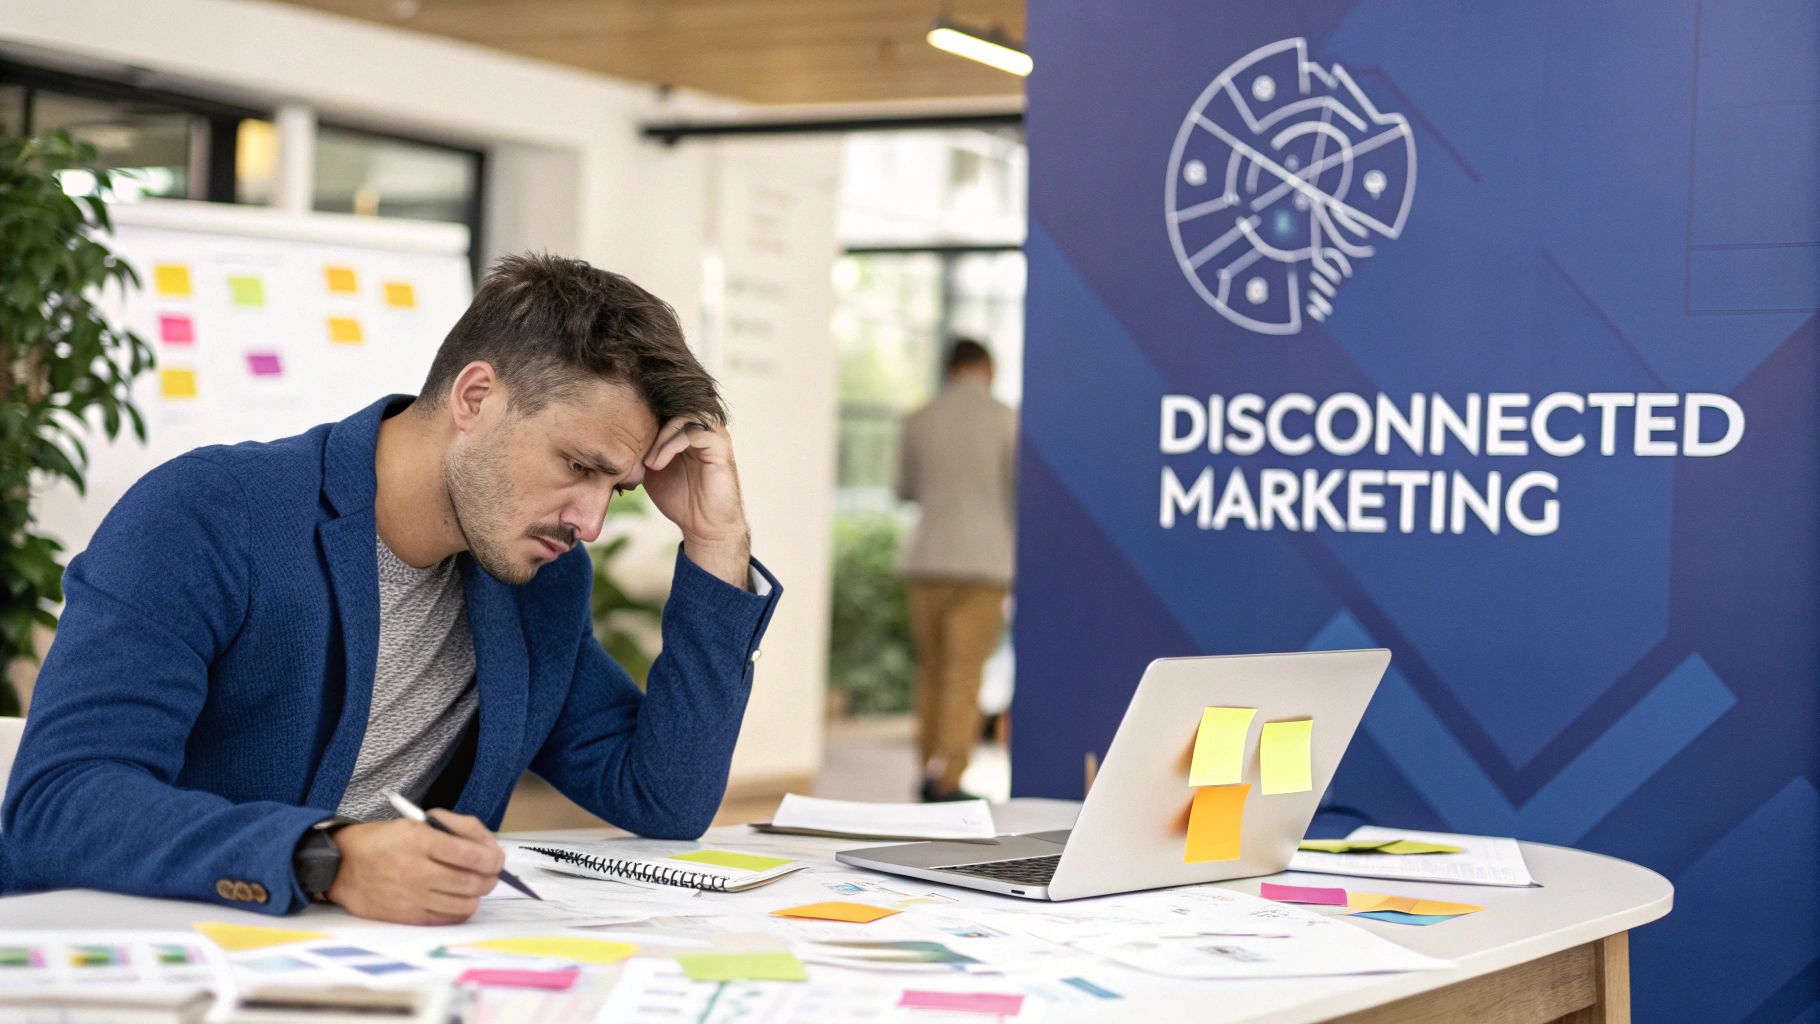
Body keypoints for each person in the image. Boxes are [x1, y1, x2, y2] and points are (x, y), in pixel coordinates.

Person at [0, 254, 782, 924]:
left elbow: (663, 798)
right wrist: (325, 858)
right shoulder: (209, 513)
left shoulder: (539, 580)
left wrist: (717, 543)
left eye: (616, 488)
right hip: (145, 955)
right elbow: (59, 803)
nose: (590, 522)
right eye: (578, 466)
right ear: (475, 397)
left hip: (374, 968)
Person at [895, 338, 1016, 802]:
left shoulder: (919, 418)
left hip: (928, 558)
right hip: (985, 563)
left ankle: (926, 766)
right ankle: (949, 776)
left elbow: (904, 489)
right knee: (964, 672)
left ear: (949, 368)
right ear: (988, 368)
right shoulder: (1007, 419)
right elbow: (1017, 491)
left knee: (931, 669)